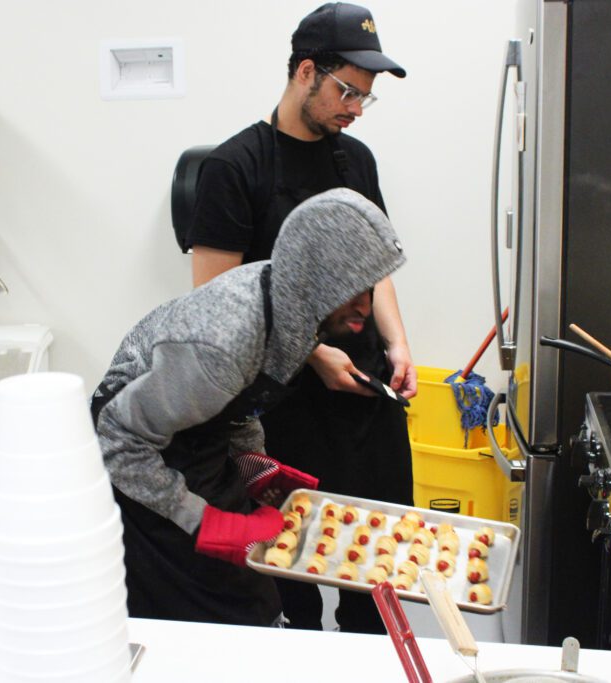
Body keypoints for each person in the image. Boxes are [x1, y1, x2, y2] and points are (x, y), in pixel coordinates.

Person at [186, 3, 416, 633]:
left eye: (366, 98)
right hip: (278, 405)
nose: (355, 109)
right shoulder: (235, 169)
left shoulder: (355, 161)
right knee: (293, 575)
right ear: (305, 72)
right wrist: (314, 352)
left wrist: (397, 344)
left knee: (377, 562)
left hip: (363, 392)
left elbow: (376, 267)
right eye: (347, 91)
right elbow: (215, 299)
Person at [92, 189, 406, 627]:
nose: (365, 310)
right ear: (314, 279)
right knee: (207, 612)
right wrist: (202, 521)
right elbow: (117, 442)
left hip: (193, 437)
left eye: (368, 289)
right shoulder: (223, 342)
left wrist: (251, 462)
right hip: (138, 457)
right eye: (351, 291)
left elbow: (243, 402)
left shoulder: (296, 311)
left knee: (255, 598)